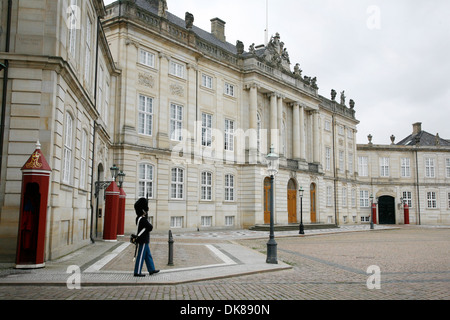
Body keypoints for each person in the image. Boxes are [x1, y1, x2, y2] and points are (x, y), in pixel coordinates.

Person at [133, 198, 159, 277]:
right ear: (143, 210)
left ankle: (151, 269)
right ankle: (137, 271)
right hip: (143, 240)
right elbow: (150, 227)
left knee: (148, 255)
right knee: (141, 256)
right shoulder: (143, 219)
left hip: (144, 239)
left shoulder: (138, 218)